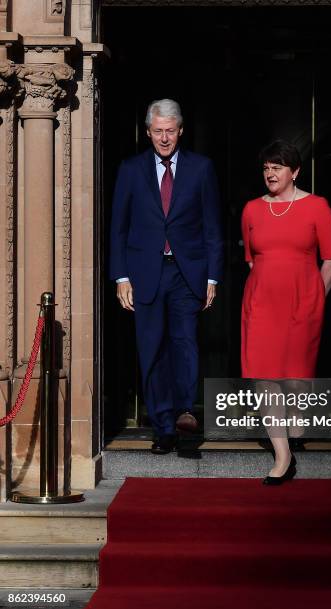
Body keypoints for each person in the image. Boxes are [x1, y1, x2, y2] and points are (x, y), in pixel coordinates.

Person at [110, 99, 223, 454]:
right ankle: (163, 428)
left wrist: (213, 279)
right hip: (144, 275)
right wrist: (120, 277)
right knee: (152, 350)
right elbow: (119, 229)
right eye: (157, 131)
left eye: (169, 131)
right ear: (148, 132)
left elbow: (213, 228)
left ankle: (185, 410)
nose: (163, 138)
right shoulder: (130, 170)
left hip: (187, 273)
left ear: (181, 131)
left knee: (185, 343)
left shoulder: (201, 169)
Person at [241, 140, 331, 484]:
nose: (270, 173)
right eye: (266, 167)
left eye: (277, 167)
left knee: (296, 376)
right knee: (264, 376)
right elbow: (252, 260)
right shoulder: (252, 209)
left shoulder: (317, 207)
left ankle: (296, 420)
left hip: (303, 302)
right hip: (261, 303)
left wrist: (317, 299)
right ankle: (283, 455)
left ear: (295, 171)